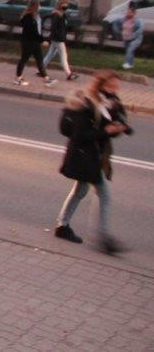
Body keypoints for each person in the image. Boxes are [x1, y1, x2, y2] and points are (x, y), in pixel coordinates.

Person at [54, 71, 132, 253]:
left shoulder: (110, 103)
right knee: (104, 195)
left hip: (94, 156)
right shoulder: (87, 104)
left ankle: (62, 226)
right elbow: (81, 135)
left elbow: (110, 126)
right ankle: (102, 238)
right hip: (84, 156)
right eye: (111, 86)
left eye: (116, 87)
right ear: (100, 85)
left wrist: (121, 128)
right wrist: (108, 131)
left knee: (80, 190)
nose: (114, 90)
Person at [15, 0, 57, 87]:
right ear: (35, 6)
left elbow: (38, 30)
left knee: (40, 60)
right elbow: (32, 31)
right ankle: (18, 77)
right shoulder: (28, 17)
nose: (40, 7)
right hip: (28, 42)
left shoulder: (37, 16)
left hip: (35, 42)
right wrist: (42, 40)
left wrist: (40, 40)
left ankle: (47, 78)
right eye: (39, 5)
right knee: (24, 59)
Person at [42, 1, 77, 80]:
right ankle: (69, 74)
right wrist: (51, 38)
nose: (65, 7)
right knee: (63, 56)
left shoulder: (63, 15)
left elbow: (64, 26)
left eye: (66, 5)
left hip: (58, 38)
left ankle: (41, 69)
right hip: (58, 39)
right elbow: (53, 27)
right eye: (64, 5)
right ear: (60, 6)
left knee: (50, 54)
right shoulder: (56, 15)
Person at [117, 4, 144, 70]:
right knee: (129, 51)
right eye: (127, 12)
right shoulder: (124, 19)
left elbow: (140, 30)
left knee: (130, 49)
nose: (127, 13)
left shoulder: (138, 21)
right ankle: (131, 65)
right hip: (126, 38)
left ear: (133, 13)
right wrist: (120, 33)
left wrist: (132, 37)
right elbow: (117, 23)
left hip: (136, 39)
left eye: (129, 12)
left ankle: (126, 64)